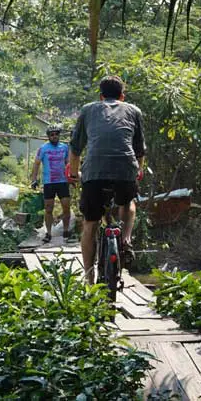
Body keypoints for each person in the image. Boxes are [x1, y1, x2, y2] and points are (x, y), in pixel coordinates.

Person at [69, 75, 145, 283]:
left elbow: (75, 149)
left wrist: (74, 174)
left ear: (101, 96)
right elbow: (139, 150)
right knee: (128, 201)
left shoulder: (88, 110)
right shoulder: (133, 111)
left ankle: (88, 276)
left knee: (90, 224)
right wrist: (138, 171)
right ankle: (126, 239)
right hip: (125, 169)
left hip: (94, 172)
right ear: (122, 96)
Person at [30, 124, 71, 243]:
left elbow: (68, 163)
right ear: (48, 136)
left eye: (56, 134)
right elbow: (36, 164)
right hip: (49, 183)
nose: (54, 136)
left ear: (59, 135)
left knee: (66, 207)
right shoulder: (43, 148)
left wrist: (72, 178)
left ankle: (66, 230)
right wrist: (34, 179)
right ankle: (48, 233)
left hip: (63, 182)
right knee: (48, 209)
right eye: (52, 135)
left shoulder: (64, 147)